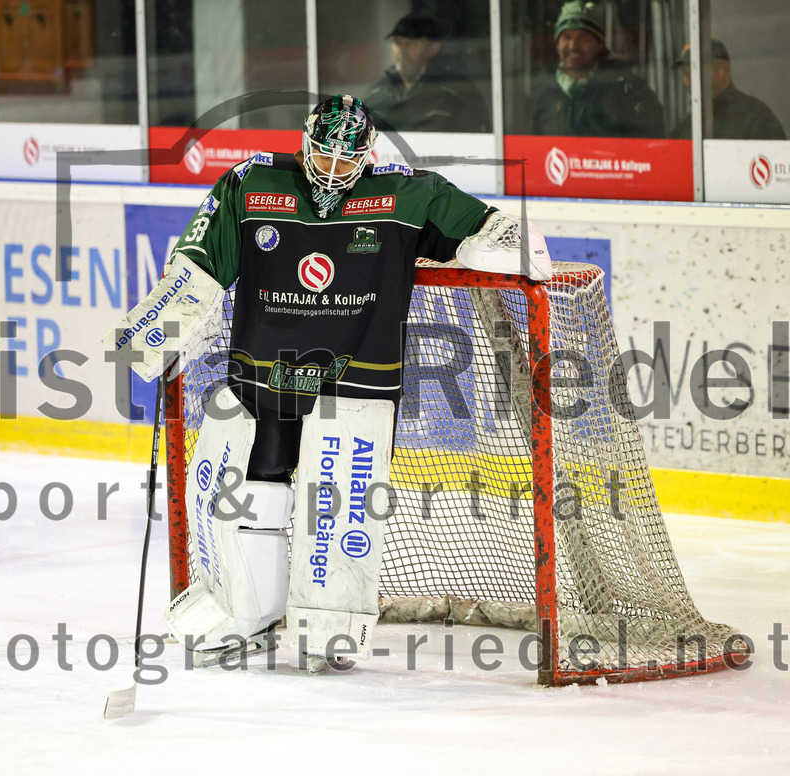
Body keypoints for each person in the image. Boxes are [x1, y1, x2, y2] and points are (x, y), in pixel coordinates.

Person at [106, 95, 551, 673]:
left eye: (348, 160)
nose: (334, 170)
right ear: (304, 141)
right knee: (241, 488)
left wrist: (518, 243)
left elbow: (487, 225)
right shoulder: (250, 183)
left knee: (337, 504)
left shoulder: (410, 192)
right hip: (266, 375)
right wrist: (154, 335)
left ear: (369, 153)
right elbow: (198, 264)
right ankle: (247, 611)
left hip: (357, 379)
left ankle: (331, 624)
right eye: (323, 153)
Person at [528, 1, 664, 138]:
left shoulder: (629, 90)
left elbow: (651, 144)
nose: (573, 46)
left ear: (599, 44)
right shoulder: (541, 91)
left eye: (582, 38)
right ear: (557, 43)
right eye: (566, 37)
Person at [364, 13, 490, 133]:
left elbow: (477, 141)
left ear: (433, 48)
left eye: (412, 43)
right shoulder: (377, 92)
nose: (402, 51)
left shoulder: (457, 91)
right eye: (398, 43)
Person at [671, 39, 785, 140]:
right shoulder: (686, 126)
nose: (686, 82)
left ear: (722, 71)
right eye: (685, 74)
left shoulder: (756, 117)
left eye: (692, 73)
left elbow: (777, 158)